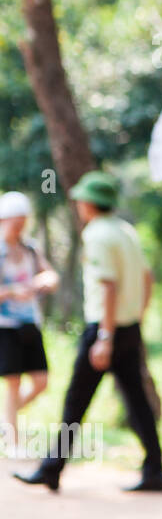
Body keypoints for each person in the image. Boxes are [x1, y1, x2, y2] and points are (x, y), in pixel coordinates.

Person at [14, 172, 162, 493]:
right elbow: (147, 278)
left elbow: (108, 286)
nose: (78, 204)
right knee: (137, 401)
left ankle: (51, 469)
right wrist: (136, 316)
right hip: (128, 326)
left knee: (76, 401)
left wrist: (105, 338)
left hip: (104, 330)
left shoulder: (97, 234)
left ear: (90, 203)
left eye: (81, 199)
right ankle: (155, 470)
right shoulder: (126, 231)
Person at [1, 191, 59, 451]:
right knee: (13, 382)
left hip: (29, 323)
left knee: (40, 382)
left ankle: (5, 423)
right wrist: (14, 292)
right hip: (5, 326)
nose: (20, 227)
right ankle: (12, 440)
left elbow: (51, 276)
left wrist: (42, 282)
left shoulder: (30, 249)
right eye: (16, 221)